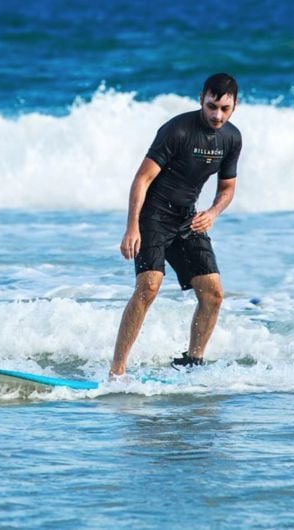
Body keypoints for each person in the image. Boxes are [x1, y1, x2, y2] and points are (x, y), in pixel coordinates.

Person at [109, 73, 242, 377]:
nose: (217, 115)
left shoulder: (232, 138)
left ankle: (191, 363)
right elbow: (142, 179)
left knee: (213, 294)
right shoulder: (177, 130)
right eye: (211, 106)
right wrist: (132, 227)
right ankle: (117, 372)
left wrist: (213, 212)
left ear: (235, 106)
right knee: (148, 288)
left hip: (188, 218)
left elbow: (227, 188)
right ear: (201, 99)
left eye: (224, 108)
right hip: (154, 216)